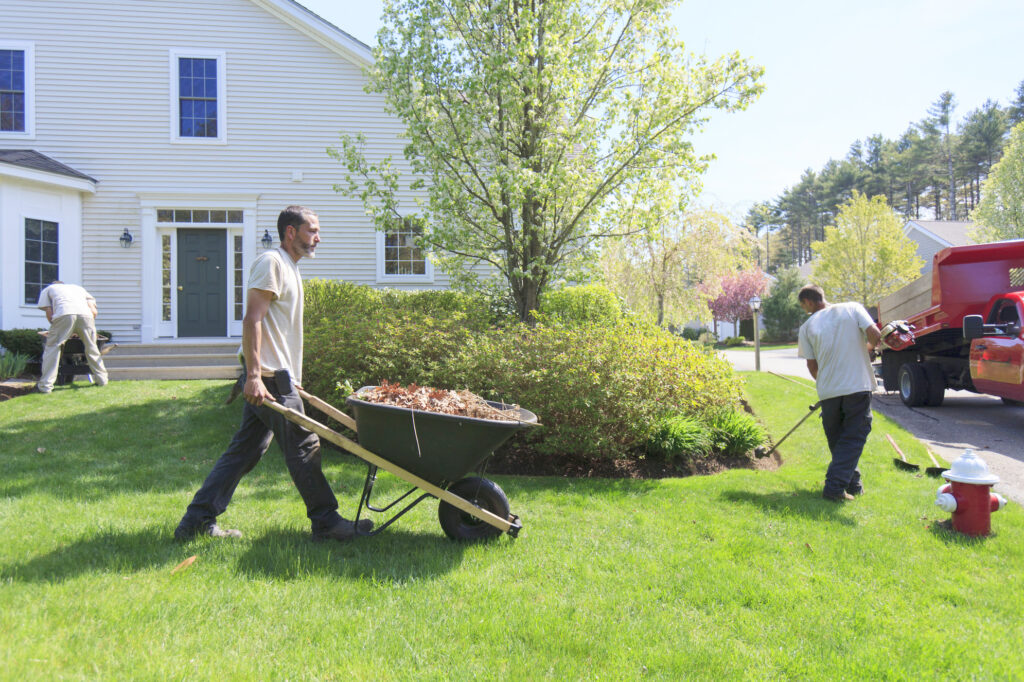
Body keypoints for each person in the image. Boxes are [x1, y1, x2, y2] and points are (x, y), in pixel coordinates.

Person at [175, 206, 372, 542]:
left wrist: (292, 374)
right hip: (266, 378)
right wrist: (253, 375)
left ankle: (196, 521)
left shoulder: (290, 268)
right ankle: (326, 522)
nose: (317, 238)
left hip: (278, 376)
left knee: (245, 452)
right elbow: (253, 319)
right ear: (290, 232)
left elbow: (277, 329)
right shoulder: (272, 263)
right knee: (305, 445)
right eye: (312, 230)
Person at [797, 285, 882, 502]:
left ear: (807, 302)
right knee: (853, 437)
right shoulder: (852, 308)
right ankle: (834, 489)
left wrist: (828, 382)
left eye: (802, 305)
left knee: (839, 439)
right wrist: (871, 346)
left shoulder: (807, 327)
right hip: (856, 385)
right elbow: (875, 334)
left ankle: (853, 484)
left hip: (829, 391)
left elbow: (812, 366)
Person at [36, 281, 109, 393]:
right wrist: (80, 329)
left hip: (64, 314)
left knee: (53, 348)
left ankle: (46, 386)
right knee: (92, 348)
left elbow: (49, 312)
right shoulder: (79, 289)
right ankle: (102, 380)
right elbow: (94, 311)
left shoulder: (49, 289)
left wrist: (57, 330)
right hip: (86, 316)